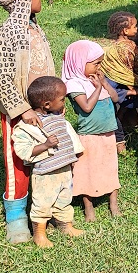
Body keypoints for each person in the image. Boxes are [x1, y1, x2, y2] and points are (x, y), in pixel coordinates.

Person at [0, 0, 56, 243]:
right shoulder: (8, 32)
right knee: (18, 161)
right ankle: (15, 217)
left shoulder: (34, 28)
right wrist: (22, 109)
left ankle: (45, 207)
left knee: (47, 154)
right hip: (20, 111)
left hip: (45, 107)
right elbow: (1, 77)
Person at [12, 76, 85, 248]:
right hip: (46, 173)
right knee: (43, 203)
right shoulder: (29, 125)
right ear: (46, 104)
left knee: (64, 199)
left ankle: (65, 225)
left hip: (64, 169)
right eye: (62, 99)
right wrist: (45, 145)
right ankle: (39, 233)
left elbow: (67, 136)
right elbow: (23, 150)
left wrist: (73, 155)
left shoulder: (56, 117)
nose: (64, 102)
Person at [62, 40, 121, 222]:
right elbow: (86, 107)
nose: (99, 67)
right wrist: (98, 88)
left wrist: (104, 84)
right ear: (79, 62)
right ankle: (89, 207)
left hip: (108, 132)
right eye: (95, 63)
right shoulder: (74, 84)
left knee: (110, 166)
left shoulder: (97, 79)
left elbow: (115, 98)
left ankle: (113, 203)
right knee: (86, 169)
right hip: (89, 135)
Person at [101, 11, 138, 152]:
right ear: (125, 31)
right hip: (122, 82)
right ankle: (121, 141)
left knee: (113, 108)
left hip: (109, 81)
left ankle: (122, 118)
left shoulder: (111, 46)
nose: (137, 29)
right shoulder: (130, 46)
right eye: (135, 26)